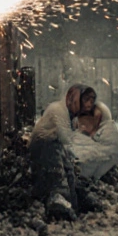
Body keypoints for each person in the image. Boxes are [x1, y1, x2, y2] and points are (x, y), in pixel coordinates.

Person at [29, 84, 84, 219]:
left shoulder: (67, 112)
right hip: (45, 145)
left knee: (69, 171)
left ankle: (73, 203)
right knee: (57, 177)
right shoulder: (58, 110)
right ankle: (59, 205)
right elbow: (66, 138)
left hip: (55, 145)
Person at [69, 85, 118, 182]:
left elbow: (101, 133)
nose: (89, 103)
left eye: (92, 100)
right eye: (86, 99)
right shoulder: (74, 114)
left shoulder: (98, 113)